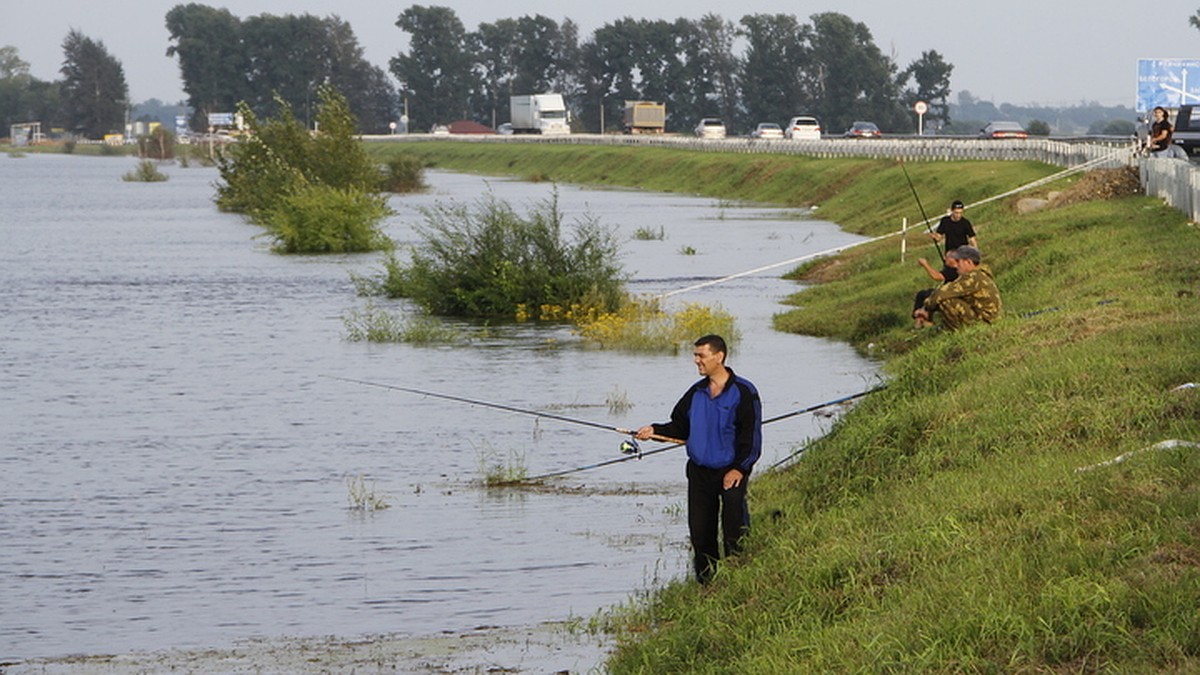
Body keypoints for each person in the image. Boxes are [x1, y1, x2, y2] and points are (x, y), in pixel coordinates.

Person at [636, 334, 762, 584]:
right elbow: (679, 428)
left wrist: (739, 469)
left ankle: (739, 578)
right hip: (699, 472)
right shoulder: (695, 393)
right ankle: (707, 584)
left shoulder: (744, 392)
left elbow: (752, 440)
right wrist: (654, 431)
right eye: (695, 356)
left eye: (701, 356)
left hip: (732, 471)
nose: (696, 361)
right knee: (701, 533)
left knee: (733, 528)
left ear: (719, 357)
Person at [913, 245, 1001, 330]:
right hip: (987, 316)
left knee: (946, 300)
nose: (956, 265)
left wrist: (925, 308)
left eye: (958, 261)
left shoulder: (972, 277)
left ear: (968, 262)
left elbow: (942, 293)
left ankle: (955, 329)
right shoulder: (979, 274)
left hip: (984, 320)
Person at [912, 248, 960, 328]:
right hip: (945, 291)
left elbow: (937, 277)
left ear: (953, 259)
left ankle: (926, 319)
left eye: (947, 257)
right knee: (922, 294)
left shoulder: (954, 270)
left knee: (931, 296)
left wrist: (925, 264)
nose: (944, 259)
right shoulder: (950, 269)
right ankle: (919, 316)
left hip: (950, 295)